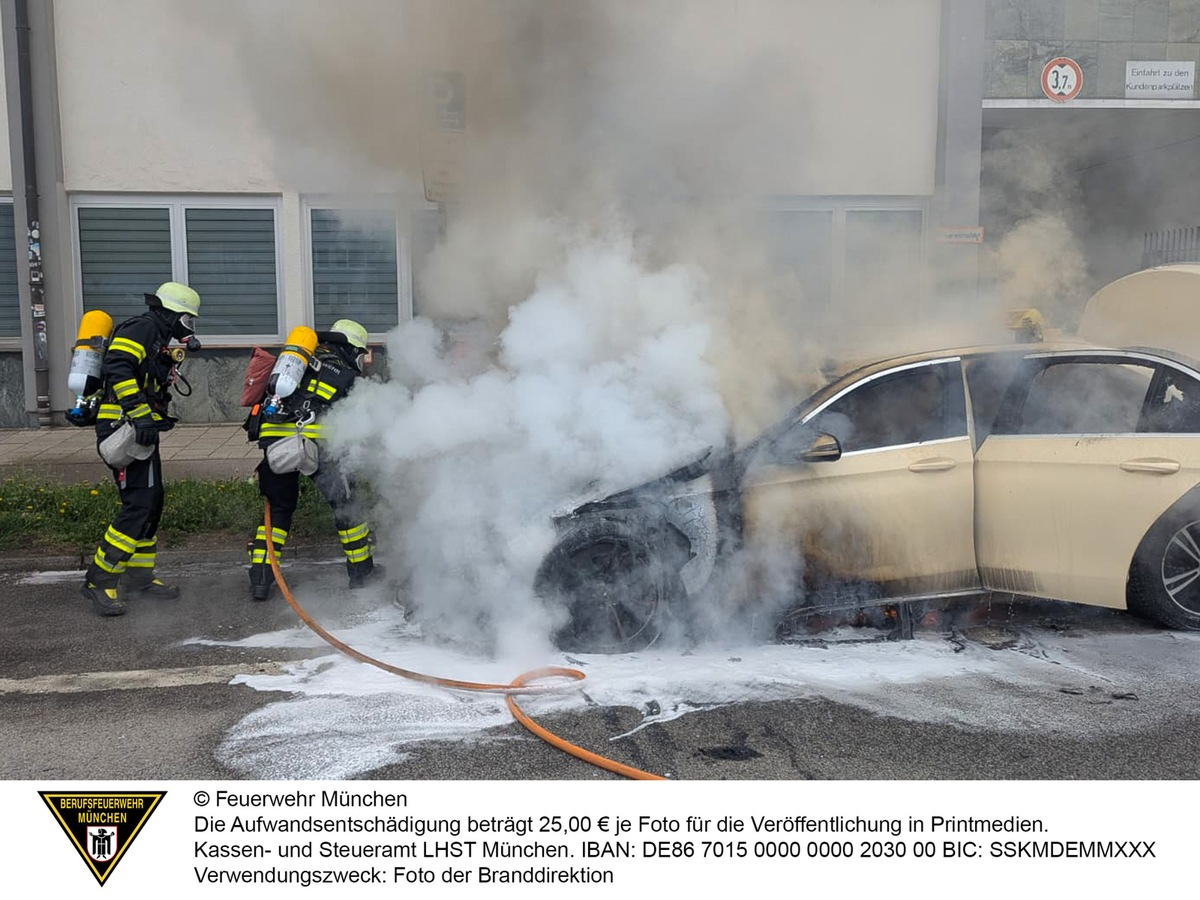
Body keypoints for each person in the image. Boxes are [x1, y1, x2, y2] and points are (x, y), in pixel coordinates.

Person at [80, 282, 201, 616]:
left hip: (140, 428)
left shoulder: (157, 336)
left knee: (153, 501)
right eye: (187, 319)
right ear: (171, 314)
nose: (189, 327)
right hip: (124, 428)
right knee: (138, 503)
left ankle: (140, 579)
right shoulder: (143, 328)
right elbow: (117, 365)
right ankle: (99, 580)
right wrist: (138, 411)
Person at [247, 319, 381, 601]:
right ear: (350, 349)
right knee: (347, 505)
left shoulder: (293, 363)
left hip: (274, 443)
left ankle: (261, 576)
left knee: (278, 508)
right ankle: (361, 573)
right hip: (320, 445)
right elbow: (359, 422)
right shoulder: (346, 374)